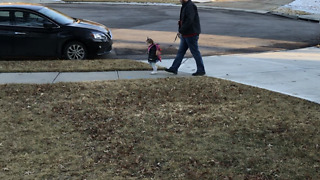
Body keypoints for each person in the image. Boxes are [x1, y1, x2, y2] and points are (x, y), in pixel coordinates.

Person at [165, 0, 206, 76]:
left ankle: (201, 70)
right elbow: (186, 19)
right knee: (181, 52)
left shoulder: (190, 6)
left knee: (195, 52)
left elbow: (189, 20)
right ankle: (174, 68)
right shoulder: (185, 5)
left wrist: (181, 30)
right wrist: (181, 23)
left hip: (191, 33)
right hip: (186, 33)